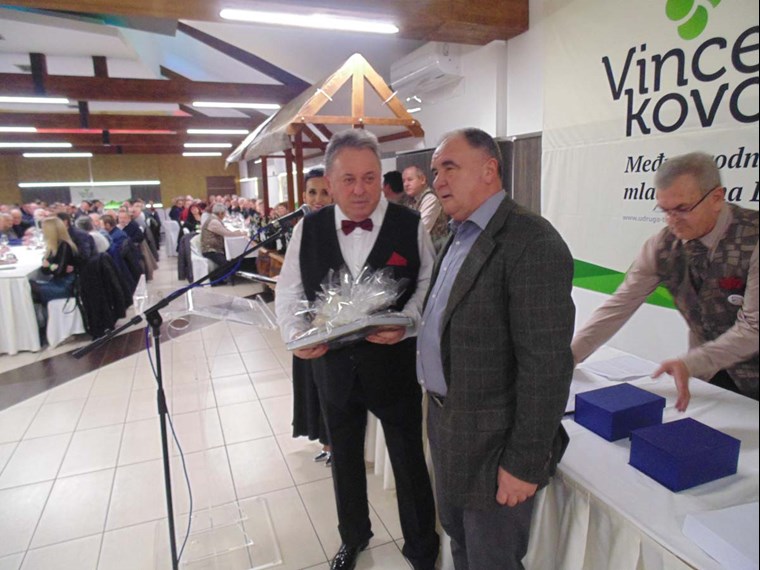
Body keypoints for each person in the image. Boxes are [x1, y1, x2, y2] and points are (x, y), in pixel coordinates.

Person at [276, 129, 439, 570]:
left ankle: (422, 547)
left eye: (369, 178)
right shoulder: (307, 229)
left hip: (393, 364)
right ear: (329, 182)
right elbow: (289, 291)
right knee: (344, 458)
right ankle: (353, 536)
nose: (361, 189)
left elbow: (427, 284)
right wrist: (295, 335)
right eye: (348, 180)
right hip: (332, 366)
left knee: (408, 458)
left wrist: (408, 323)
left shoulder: (409, 224)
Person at [418, 128, 575, 570]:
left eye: (450, 167)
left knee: (492, 559)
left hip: (495, 444)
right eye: (435, 171)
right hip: (448, 426)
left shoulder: (532, 242)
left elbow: (546, 368)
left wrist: (524, 463)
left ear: (490, 170)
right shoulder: (456, 235)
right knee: (459, 541)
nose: (438, 180)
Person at [573, 152, 759, 410]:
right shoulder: (662, 246)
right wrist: (569, 357)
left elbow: (754, 328)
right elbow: (620, 304)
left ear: (716, 198)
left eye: (682, 209)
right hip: (713, 376)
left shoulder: (753, 238)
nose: (672, 220)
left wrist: (691, 363)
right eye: (665, 210)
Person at [292, 167, 334, 464]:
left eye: (324, 192)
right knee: (312, 383)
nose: (318, 199)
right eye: (312, 192)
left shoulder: (340, 226)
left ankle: (336, 443)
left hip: (335, 317)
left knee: (331, 385)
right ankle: (324, 441)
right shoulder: (300, 228)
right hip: (307, 316)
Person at [29, 217, 80, 318]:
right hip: (57, 281)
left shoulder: (64, 246)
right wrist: (52, 267)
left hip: (65, 286)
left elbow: (58, 271)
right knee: (29, 286)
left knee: (28, 287)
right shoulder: (54, 246)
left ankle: (41, 320)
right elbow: (45, 270)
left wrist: (50, 266)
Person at [403, 165, 449, 250]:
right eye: (404, 181)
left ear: (422, 180)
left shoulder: (430, 199)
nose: (406, 184)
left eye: (410, 179)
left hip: (436, 251)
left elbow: (419, 231)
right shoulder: (410, 201)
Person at [199, 202, 247, 269]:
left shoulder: (214, 218)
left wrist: (236, 232)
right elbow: (227, 234)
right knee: (228, 265)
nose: (225, 215)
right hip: (211, 250)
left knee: (234, 258)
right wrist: (240, 233)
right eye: (224, 213)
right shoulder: (214, 221)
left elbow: (226, 231)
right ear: (220, 213)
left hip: (215, 248)